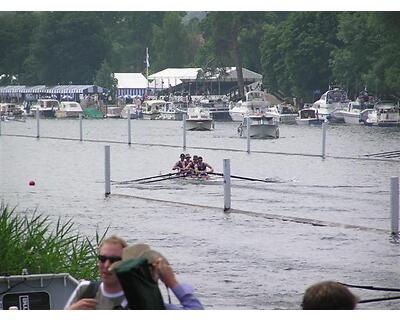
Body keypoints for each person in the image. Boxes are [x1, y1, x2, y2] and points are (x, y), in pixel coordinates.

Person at [65, 237, 203, 310]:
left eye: (113, 261)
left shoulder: (148, 304)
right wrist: (172, 283)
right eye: (102, 259)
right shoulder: (86, 290)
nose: (107, 265)